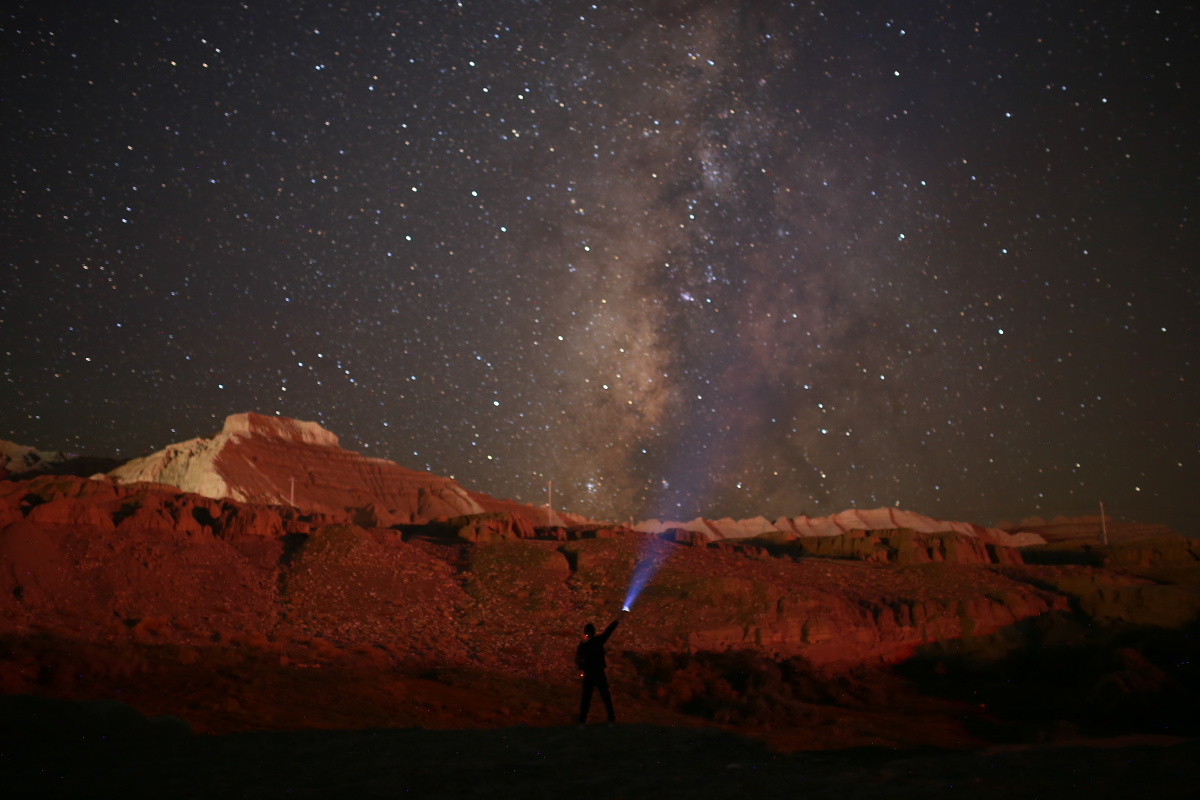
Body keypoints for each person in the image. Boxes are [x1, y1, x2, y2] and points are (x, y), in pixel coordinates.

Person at [576, 613, 624, 724]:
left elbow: (578, 660)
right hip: (599, 673)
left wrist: (582, 668)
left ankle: (582, 722)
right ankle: (611, 720)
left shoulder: (583, 645)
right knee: (606, 697)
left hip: (588, 674)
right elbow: (608, 631)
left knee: (586, 699)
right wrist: (618, 619)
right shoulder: (598, 641)